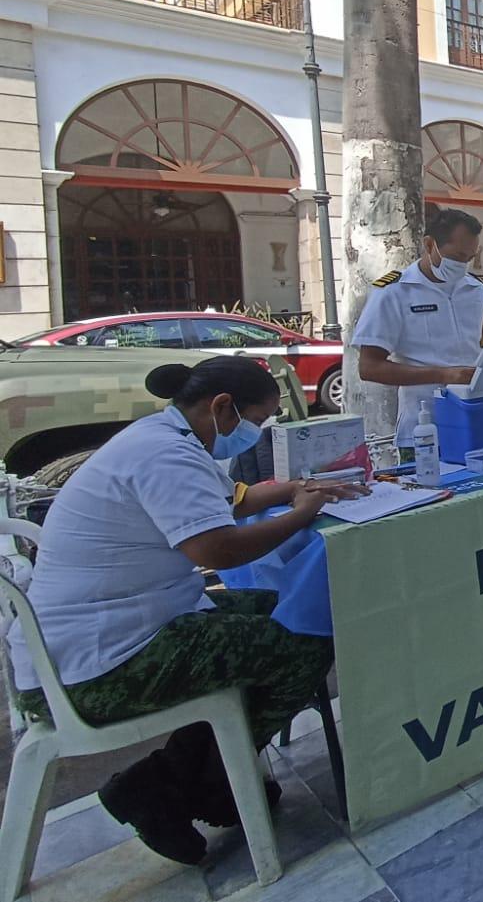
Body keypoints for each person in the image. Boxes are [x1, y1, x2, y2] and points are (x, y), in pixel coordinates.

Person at [8, 358, 366, 864]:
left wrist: (293, 490)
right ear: (222, 407)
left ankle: (210, 777)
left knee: (288, 609)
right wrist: (300, 514)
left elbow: (233, 500)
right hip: (94, 667)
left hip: (126, 627)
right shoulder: (165, 455)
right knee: (303, 645)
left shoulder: (165, 438)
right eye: (256, 421)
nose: (257, 432)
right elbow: (218, 549)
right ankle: (169, 786)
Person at [352, 208, 483, 452]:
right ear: (430, 244)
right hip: (422, 430)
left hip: (477, 421)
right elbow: (369, 367)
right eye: (457, 256)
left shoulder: (478, 291)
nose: (463, 265)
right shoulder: (393, 292)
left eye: (469, 258)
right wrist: (443, 375)